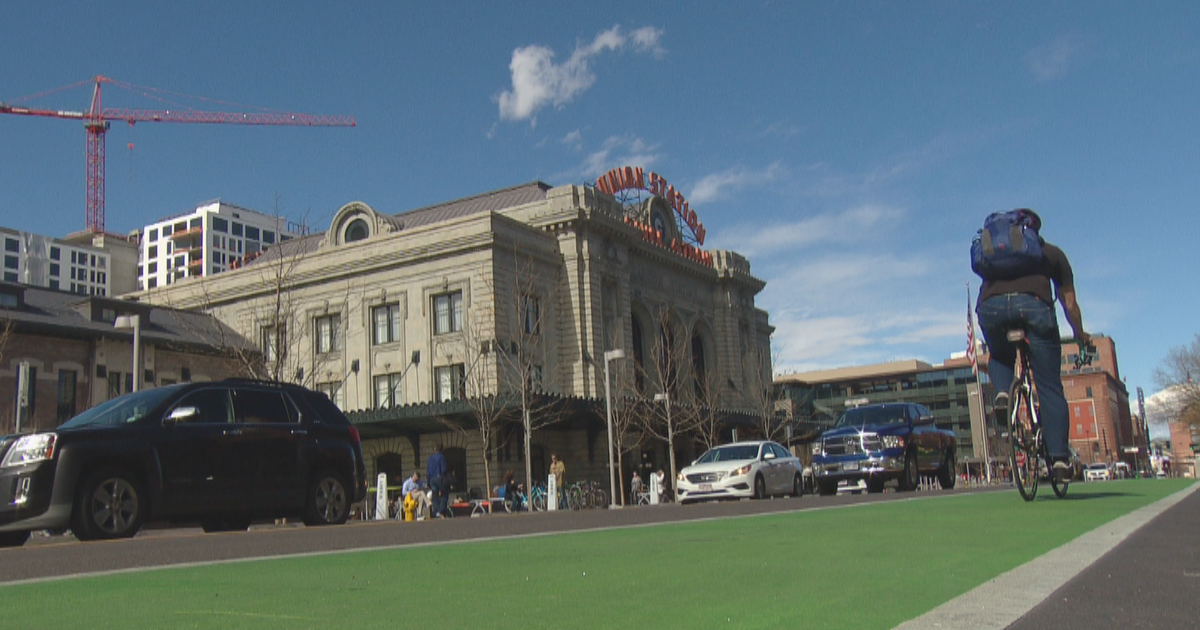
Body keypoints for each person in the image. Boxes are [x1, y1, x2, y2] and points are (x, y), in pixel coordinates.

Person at [975, 209, 1089, 480]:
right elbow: (1069, 303)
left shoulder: (995, 253)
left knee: (1000, 356)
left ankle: (1003, 393)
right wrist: (1079, 333)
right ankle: (1060, 459)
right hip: (1035, 309)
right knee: (1049, 385)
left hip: (991, 309)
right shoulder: (1052, 254)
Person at [427, 444, 448, 518]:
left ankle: (436, 512)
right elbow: (444, 469)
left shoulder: (430, 458)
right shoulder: (442, 457)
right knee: (444, 494)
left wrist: (428, 481)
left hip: (432, 479)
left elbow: (428, 471)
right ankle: (441, 510)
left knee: (435, 496)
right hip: (440, 477)